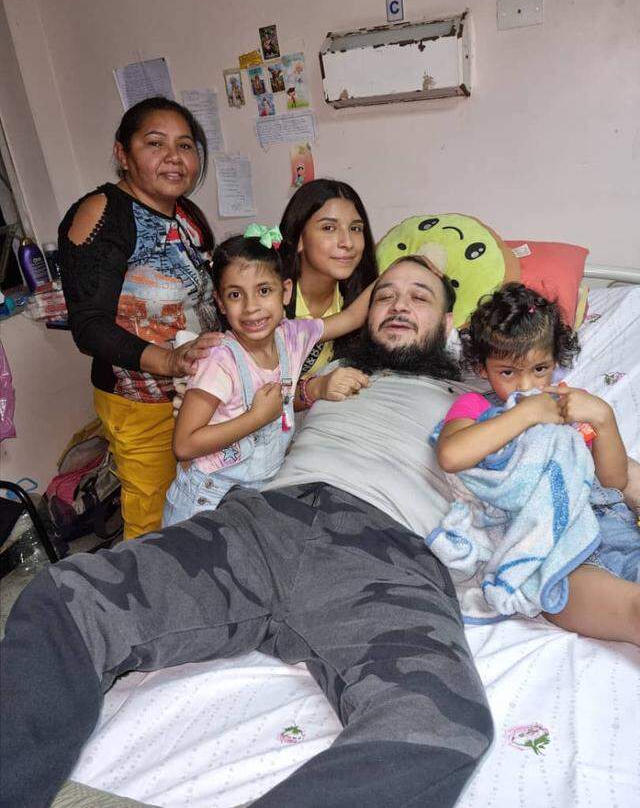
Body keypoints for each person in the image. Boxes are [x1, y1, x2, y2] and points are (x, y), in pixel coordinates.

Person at [0, 256, 493, 808]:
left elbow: (551, 485)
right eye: (385, 295)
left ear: (449, 325)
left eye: (419, 296)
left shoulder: (483, 402)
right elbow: (259, 405)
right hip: (265, 522)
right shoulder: (324, 379)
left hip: (384, 552)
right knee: (66, 599)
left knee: (439, 728)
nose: (399, 304)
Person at [436, 282, 640, 644]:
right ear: (482, 368)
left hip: (612, 527)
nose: (525, 384)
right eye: (507, 372)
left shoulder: (573, 404)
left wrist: (604, 419)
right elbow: (452, 455)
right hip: (552, 555)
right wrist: (528, 413)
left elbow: (614, 481)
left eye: (540, 368)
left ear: (556, 362)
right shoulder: (478, 409)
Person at [58, 97, 221, 539]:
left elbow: (205, 293)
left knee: (202, 495)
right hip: (140, 399)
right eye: (155, 143)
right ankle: (144, 600)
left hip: (199, 388)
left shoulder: (186, 214)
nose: (174, 156)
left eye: (185, 145)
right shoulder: (102, 212)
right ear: (122, 153)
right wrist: (167, 361)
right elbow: (89, 325)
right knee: (153, 515)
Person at [163, 226, 371, 525]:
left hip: (256, 491)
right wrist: (256, 418)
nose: (251, 308)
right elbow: (184, 445)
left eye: (264, 291)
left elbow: (351, 317)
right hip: (206, 500)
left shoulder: (293, 336)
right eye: (236, 295)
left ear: (285, 292)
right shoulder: (220, 361)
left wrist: (396, 274)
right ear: (221, 303)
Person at [279, 178, 378, 377]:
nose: (347, 242)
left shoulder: (356, 296)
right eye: (328, 228)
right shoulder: (270, 298)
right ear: (299, 239)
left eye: (356, 228)